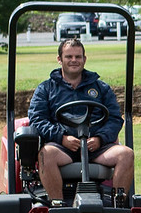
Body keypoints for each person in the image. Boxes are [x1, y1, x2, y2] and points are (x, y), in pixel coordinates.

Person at [29, 36, 134, 202]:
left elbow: (115, 119)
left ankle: (118, 205)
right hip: (62, 147)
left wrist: (100, 139)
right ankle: (58, 205)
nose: (74, 60)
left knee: (126, 154)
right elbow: (37, 119)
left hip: (96, 147)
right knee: (46, 154)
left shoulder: (101, 88)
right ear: (59, 59)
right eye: (69, 56)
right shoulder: (46, 89)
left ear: (84, 59)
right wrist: (61, 138)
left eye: (78, 57)